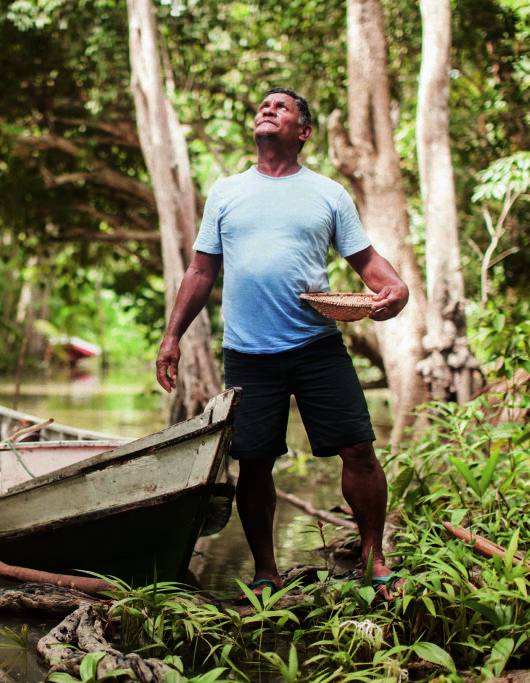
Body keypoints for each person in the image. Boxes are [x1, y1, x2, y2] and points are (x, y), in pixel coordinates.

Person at [155, 87, 409, 601]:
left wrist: (397, 289)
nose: (267, 110)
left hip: (317, 345)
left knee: (359, 448)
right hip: (249, 353)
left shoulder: (329, 194)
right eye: (263, 106)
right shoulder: (226, 192)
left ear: (304, 132)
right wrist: (171, 337)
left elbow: (368, 265)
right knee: (254, 460)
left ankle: (374, 559)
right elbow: (202, 270)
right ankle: (266, 571)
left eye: (282, 107)